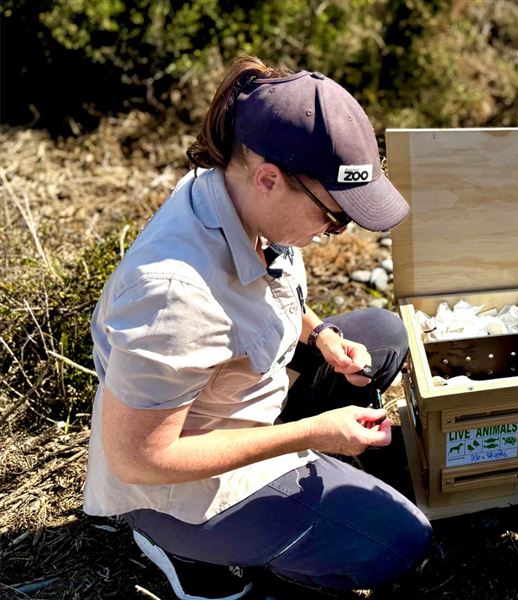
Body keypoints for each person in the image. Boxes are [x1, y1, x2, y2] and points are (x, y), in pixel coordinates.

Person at [83, 55, 432, 599]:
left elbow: (268, 293)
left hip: (239, 406)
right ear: (270, 178)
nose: (335, 232)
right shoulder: (171, 295)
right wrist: (312, 435)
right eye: (334, 216)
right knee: (399, 543)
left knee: (382, 334)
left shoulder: (240, 198)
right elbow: (141, 459)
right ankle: (180, 549)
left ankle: (297, 503)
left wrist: (319, 335)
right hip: (172, 484)